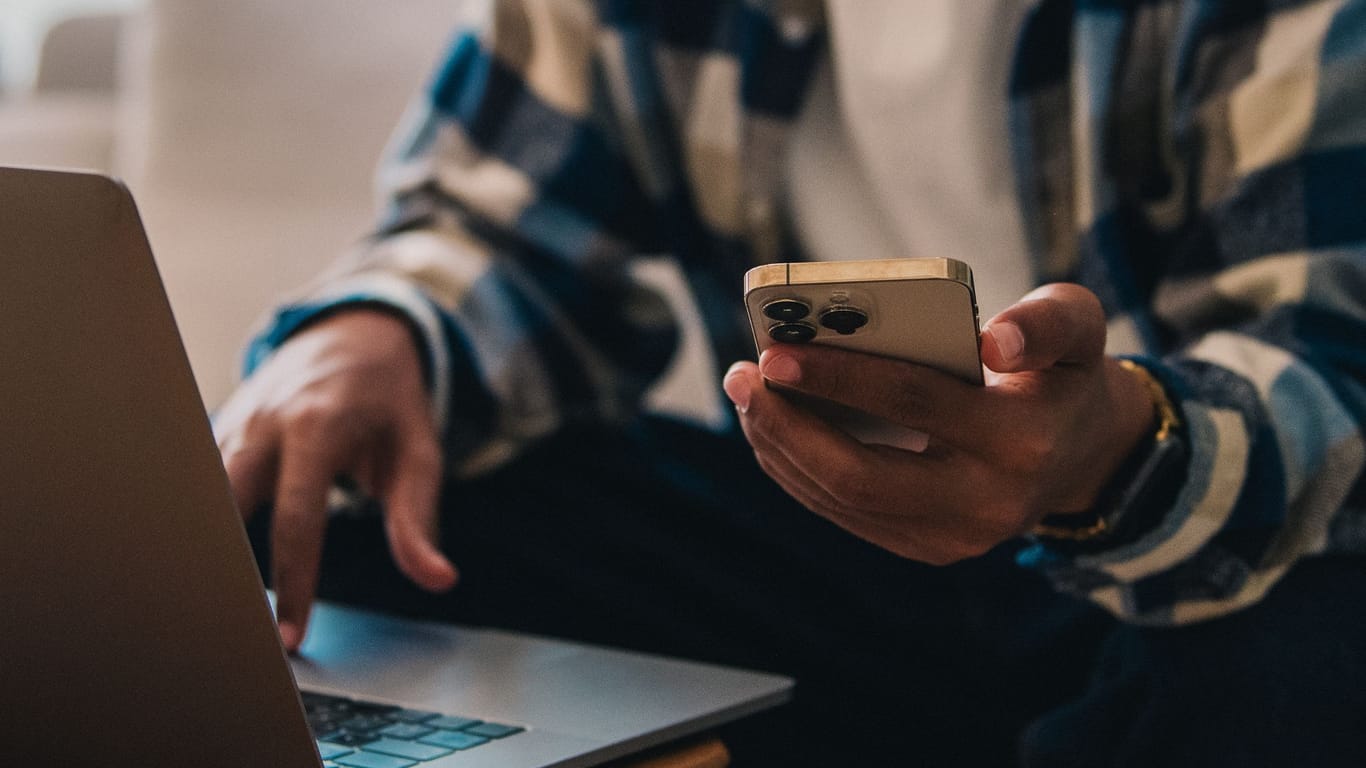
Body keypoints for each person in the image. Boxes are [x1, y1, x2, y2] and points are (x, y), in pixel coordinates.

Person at [213, 2, 1366, 765]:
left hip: (1151, 564)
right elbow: (496, 219)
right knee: (343, 519)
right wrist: (379, 330)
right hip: (814, 534)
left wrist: (1116, 454)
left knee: (1297, 651)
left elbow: (1331, 365)